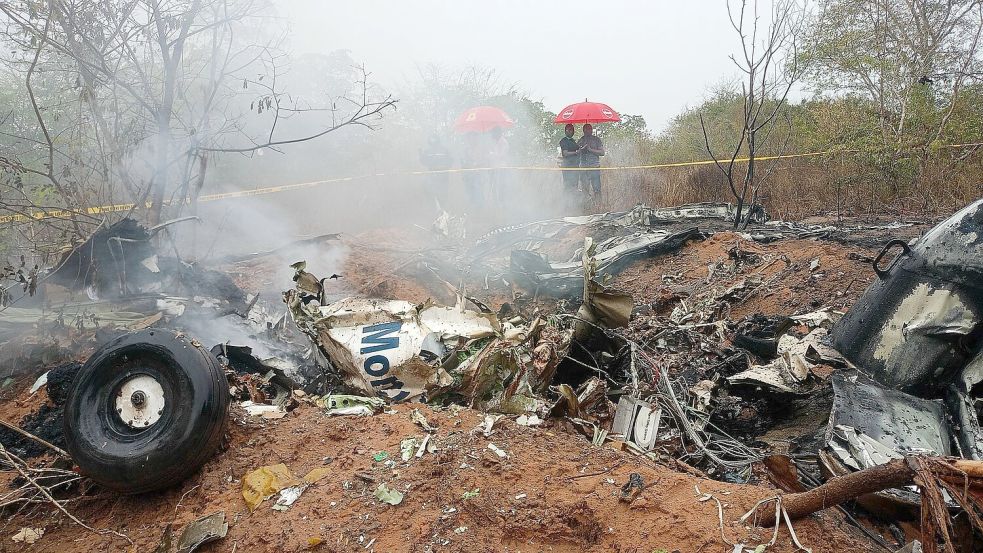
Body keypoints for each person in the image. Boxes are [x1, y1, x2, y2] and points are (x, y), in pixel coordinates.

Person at [419, 134, 453, 208]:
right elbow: (424, 162)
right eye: (431, 142)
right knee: (430, 192)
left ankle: (443, 209)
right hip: (432, 176)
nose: (433, 143)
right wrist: (421, 156)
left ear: (438, 141)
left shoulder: (444, 150)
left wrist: (444, 166)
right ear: (429, 142)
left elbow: (450, 161)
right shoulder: (427, 151)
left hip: (443, 176)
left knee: (443, 194)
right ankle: (435, 209)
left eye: (435, 141)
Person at [577, 123, 605, 197]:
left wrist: (590, 149)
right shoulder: (580, 140)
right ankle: (586, 206)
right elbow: (577, 153)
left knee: (597, 189)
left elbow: (602, 152)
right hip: (583, 167)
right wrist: (582, 149)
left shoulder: (596, 140)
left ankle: (599, 206)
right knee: (585, 190)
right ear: (583, 130)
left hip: (594, 167)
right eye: (586, 129)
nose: (588, 130)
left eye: (590, 129)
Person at [558, 123, 581, 191]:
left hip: (575, 166)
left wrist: (581, 148)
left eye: (572, 130)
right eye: (570, 129)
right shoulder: (563, 141)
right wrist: (576, 152)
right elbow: (565, 153)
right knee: (568, 185)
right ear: (565, 131)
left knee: (575, 185)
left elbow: (578, 148)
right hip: (567, 166)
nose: (571, 131)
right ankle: (566, 200)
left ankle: (574, 200)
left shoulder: (573, 141)